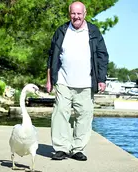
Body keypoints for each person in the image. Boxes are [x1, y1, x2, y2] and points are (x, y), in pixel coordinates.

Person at [46, 1, 109, 161]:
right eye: (73, 13)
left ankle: (77, 149)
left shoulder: (93, 31)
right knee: (60, 113)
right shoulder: (61, 31)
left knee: (84, 116)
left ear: (85, 14)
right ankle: (61, 148)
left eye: (79, 13)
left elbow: (102, 56)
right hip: (63, 80)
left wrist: (101, 79)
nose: (76, 16)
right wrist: (49, 80)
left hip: (87, 83)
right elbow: (51, 56)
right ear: (69, 14)